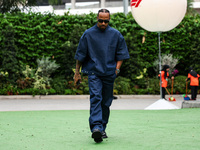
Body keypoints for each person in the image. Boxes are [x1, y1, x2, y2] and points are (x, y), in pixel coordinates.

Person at [73, 9, 130, 143]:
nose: (103, 23)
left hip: (110, 73)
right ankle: (96, 128)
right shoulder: (88, 34)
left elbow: (121, 55)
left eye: (106, 21)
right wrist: (77, 73)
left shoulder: (116, 35)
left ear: (109, 20)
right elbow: (80, 56)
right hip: (94, 73)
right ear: (97, 19)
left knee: (106, 101)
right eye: (100, 20)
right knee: (96, 98)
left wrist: (116, 70)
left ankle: (102, 128)